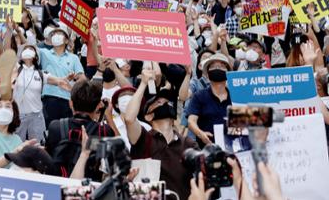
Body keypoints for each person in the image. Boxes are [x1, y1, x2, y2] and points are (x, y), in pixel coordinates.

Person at [123, 67, 197, 200]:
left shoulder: (188, 144)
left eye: (167, 102)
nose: (165, 103)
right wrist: (143, 83)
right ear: (149, 117)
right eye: (158, 102)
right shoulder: (143, 139)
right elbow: (129, 118)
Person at [45, 80, 114, 179]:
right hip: (89, 187)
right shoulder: (104, 131)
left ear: (70, 103)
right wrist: (107, 115)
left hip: (58, 184)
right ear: (99, 105)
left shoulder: (55, 127)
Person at [12, 44, 70, 142]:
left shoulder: (41, 74)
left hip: (36, 116)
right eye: (25, 49)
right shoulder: (16, 69)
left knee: (37, 145)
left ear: (35, 56)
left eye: (31, 49)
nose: (28, 51)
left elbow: (58, 81)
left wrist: (65, 80)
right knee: (16, 144)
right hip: (19, 115)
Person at [38, 26, 85, 125]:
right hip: (50, 98)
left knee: (66, 132)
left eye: (60, 34)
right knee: (50, 131)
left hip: (67, 100)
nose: (56, 36)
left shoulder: (74, 58)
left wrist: (74, 85)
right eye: (54, 34)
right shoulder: (43, 53)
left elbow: (82, 79)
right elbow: (26, 47)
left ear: (67, 40)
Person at [186, 53, 232, 148]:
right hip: (207, 149)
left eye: (222, 66)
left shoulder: (236, 96)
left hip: (234, 147)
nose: (217, 68)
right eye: (213, 66)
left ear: (228, 72)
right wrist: (200, 134)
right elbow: (191, 121)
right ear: (207, 73)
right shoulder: (199, 96)